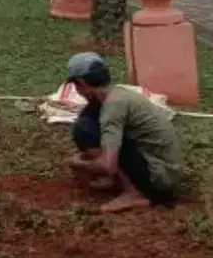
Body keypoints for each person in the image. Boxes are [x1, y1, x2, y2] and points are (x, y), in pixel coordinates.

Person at [66, 52, 183, 214]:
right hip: (166, 169)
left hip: (160, 179)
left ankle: (136, 194)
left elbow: (108, 165)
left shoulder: (112, 108)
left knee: (87, 131)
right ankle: (120, 182)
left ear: (80, 83)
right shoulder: (118, 94)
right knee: (87, 123)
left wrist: (79, 164)